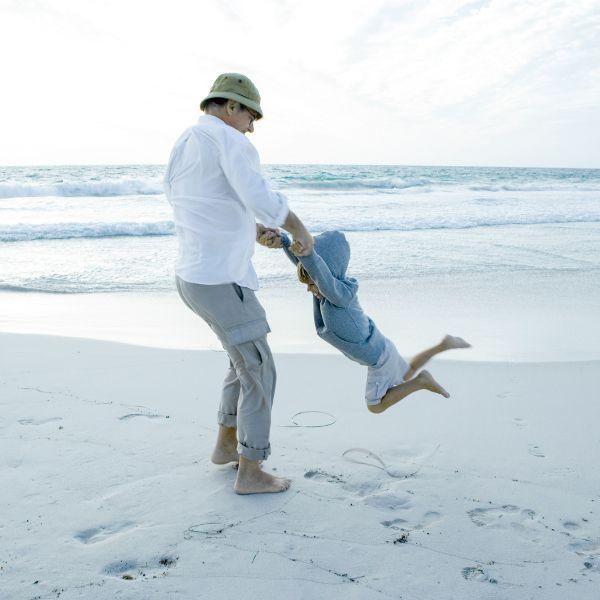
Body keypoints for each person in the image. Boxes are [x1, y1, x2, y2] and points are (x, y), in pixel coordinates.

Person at [164, 73, 313, 494]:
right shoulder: (231, 141)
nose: (252, 126)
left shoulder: (186, 143)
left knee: (240, 362)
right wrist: (300, 230)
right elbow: (259, 193)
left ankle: (226, 447)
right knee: (260, 370)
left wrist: (249, 231)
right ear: (231, 107)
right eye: (251, 116)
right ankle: (251, 470)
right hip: (220, 279)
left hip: (193, 276)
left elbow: (201, 205)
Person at [258, 229, 470, 412]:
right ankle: (443, 345)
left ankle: (422, 382)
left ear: (325, 277)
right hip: (381, 345)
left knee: (375, 405)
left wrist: (307, 252)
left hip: (378, 358)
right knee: (405, 373)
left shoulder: (337, 295)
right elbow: (308, 265)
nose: (308, 289)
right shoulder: (336, 290)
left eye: (312, 283)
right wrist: (285, 241)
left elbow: (319, 271)